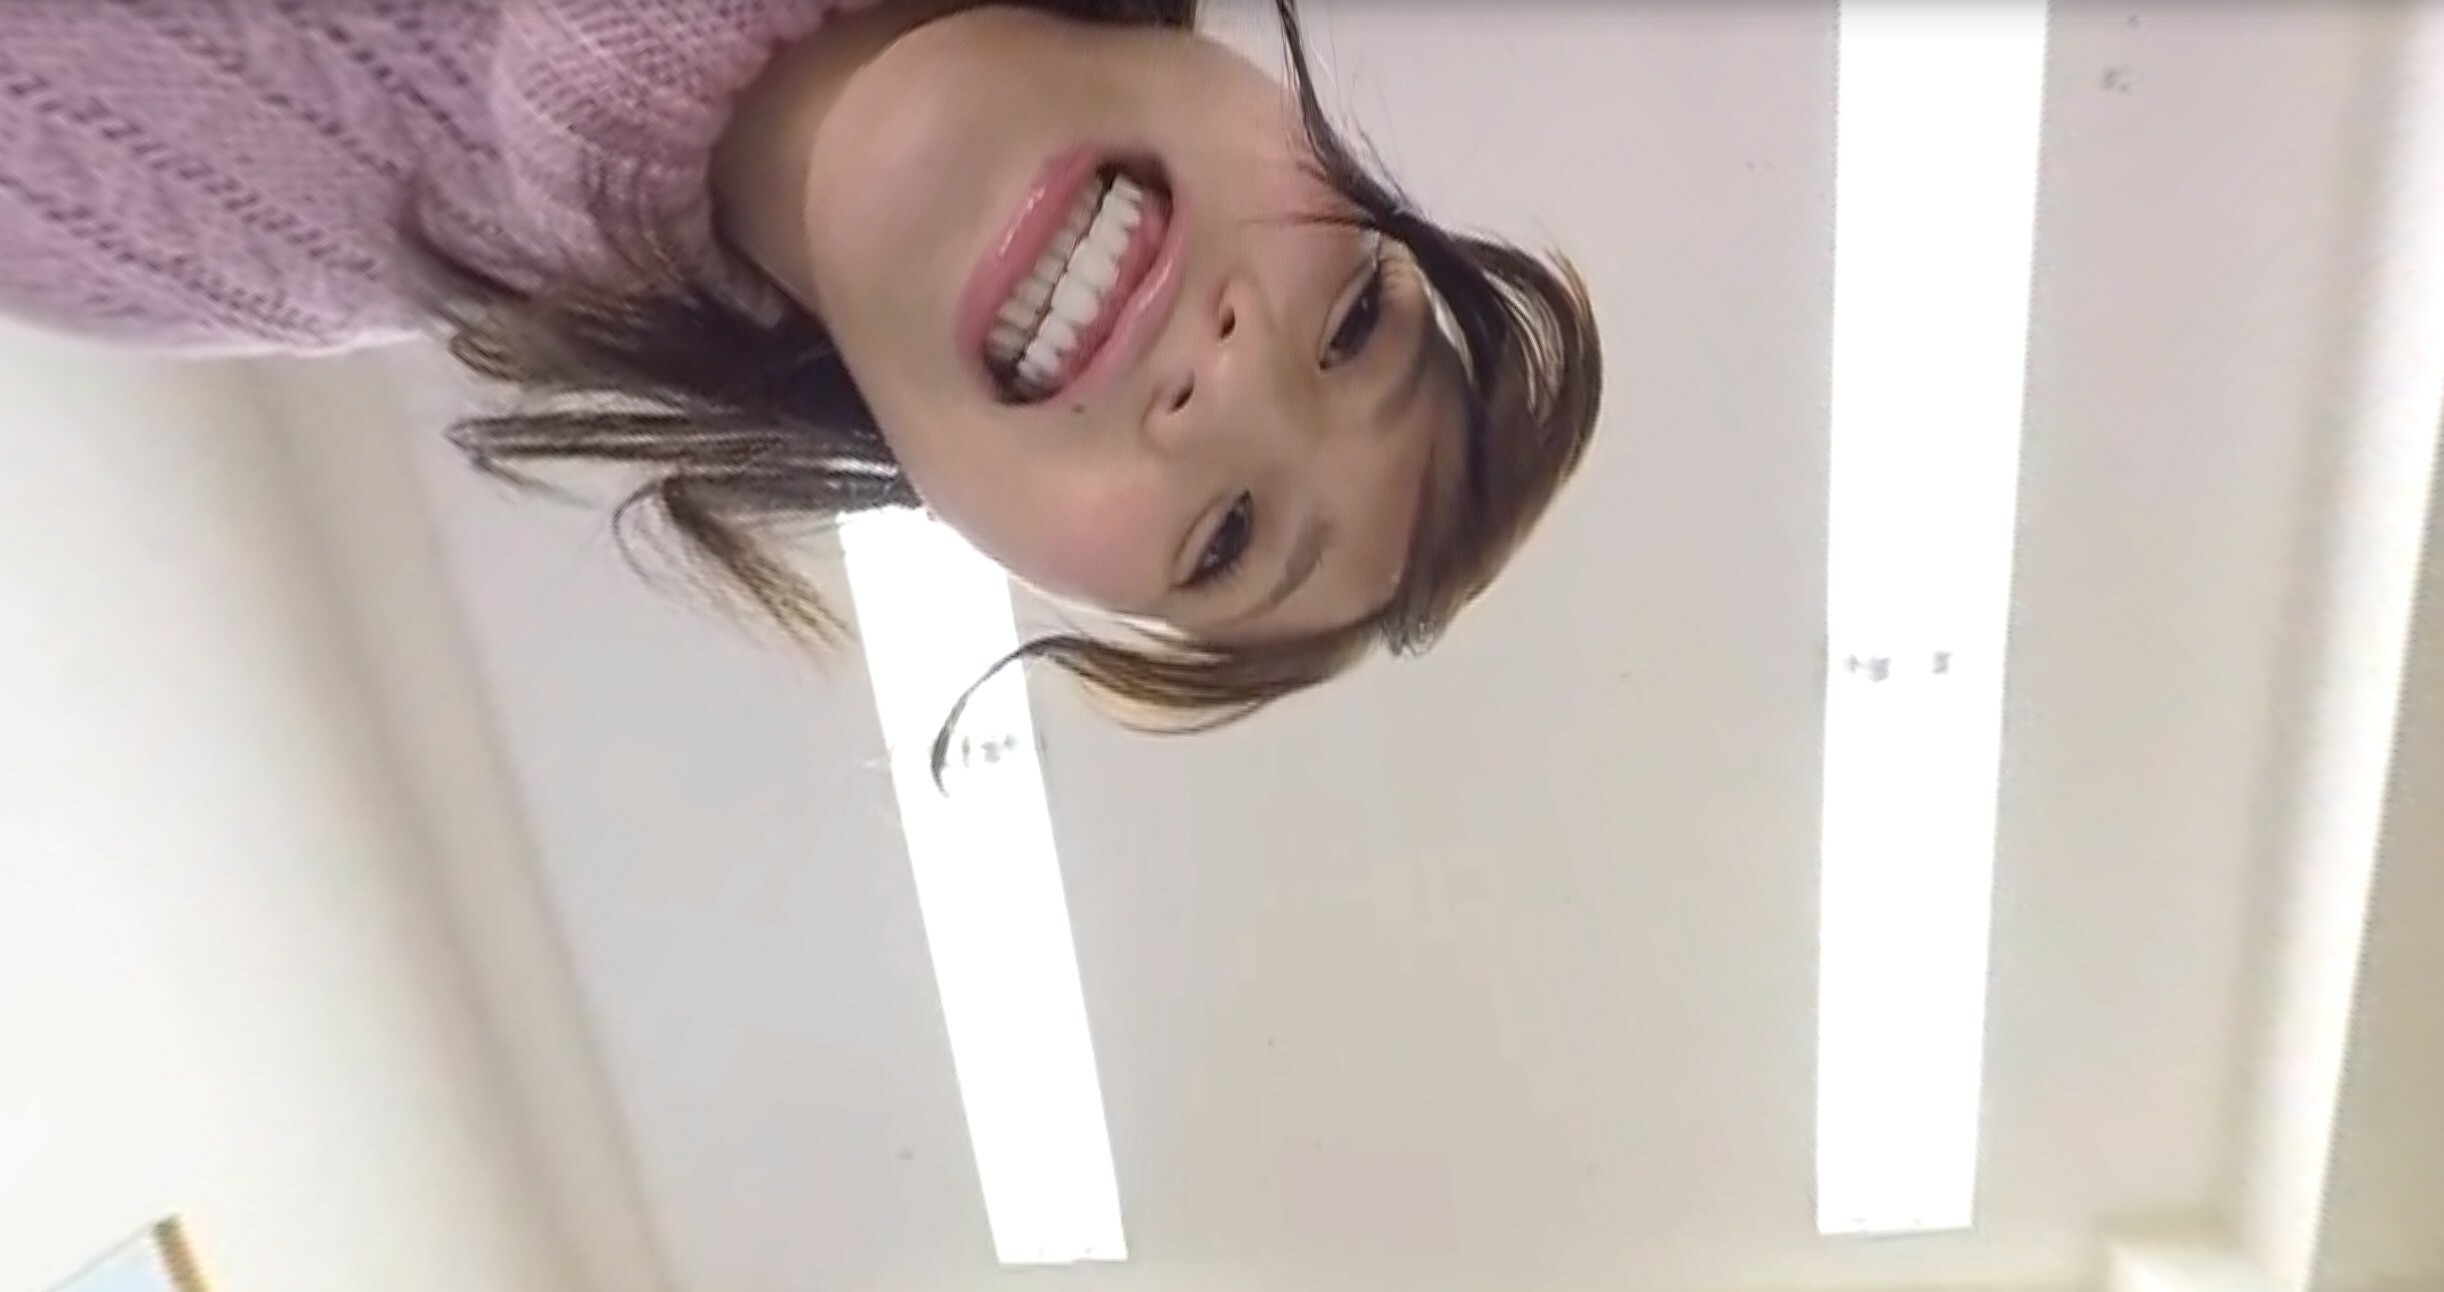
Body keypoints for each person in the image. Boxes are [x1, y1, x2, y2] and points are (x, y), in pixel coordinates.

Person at [0, 0, 1602, 745]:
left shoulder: (146, 219)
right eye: (1356, 323)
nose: (1233, 393)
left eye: (1227, 539)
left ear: (968, 529)